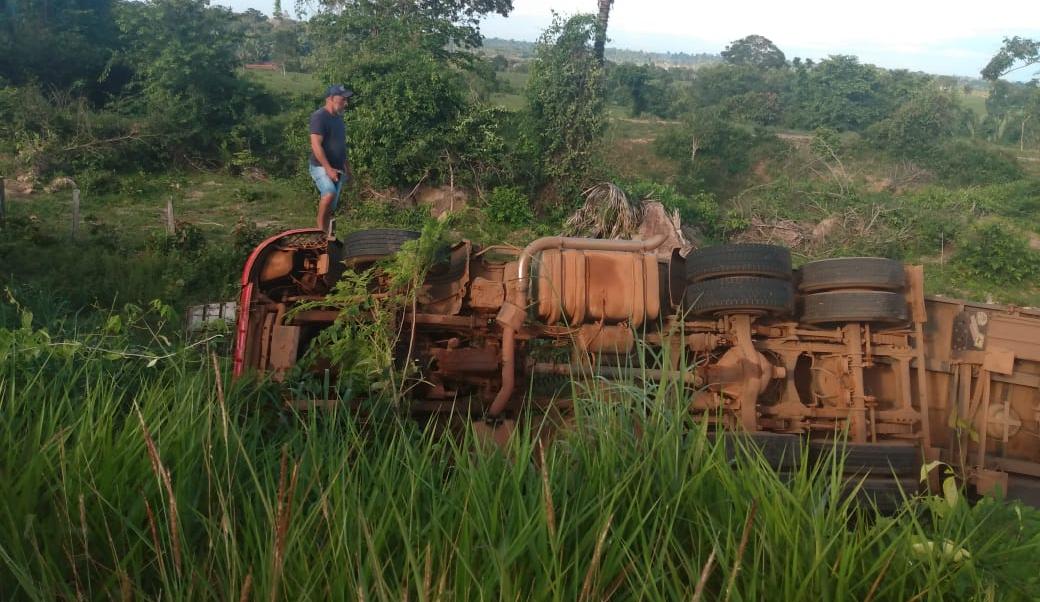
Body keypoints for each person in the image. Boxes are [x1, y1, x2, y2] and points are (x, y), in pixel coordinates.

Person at [309, 84, 354, 234]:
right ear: (330, 99)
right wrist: (328, 169)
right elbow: (316, 144)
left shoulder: (339, 120)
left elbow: (341, 146)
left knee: (331, 207)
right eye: (342, 100)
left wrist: (347, 167)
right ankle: (319, 232)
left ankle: (327, 236)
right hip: (321, 166)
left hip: (338, 168)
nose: (345, 104)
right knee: (329, 194)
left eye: (346, 100)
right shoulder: (319, 117)